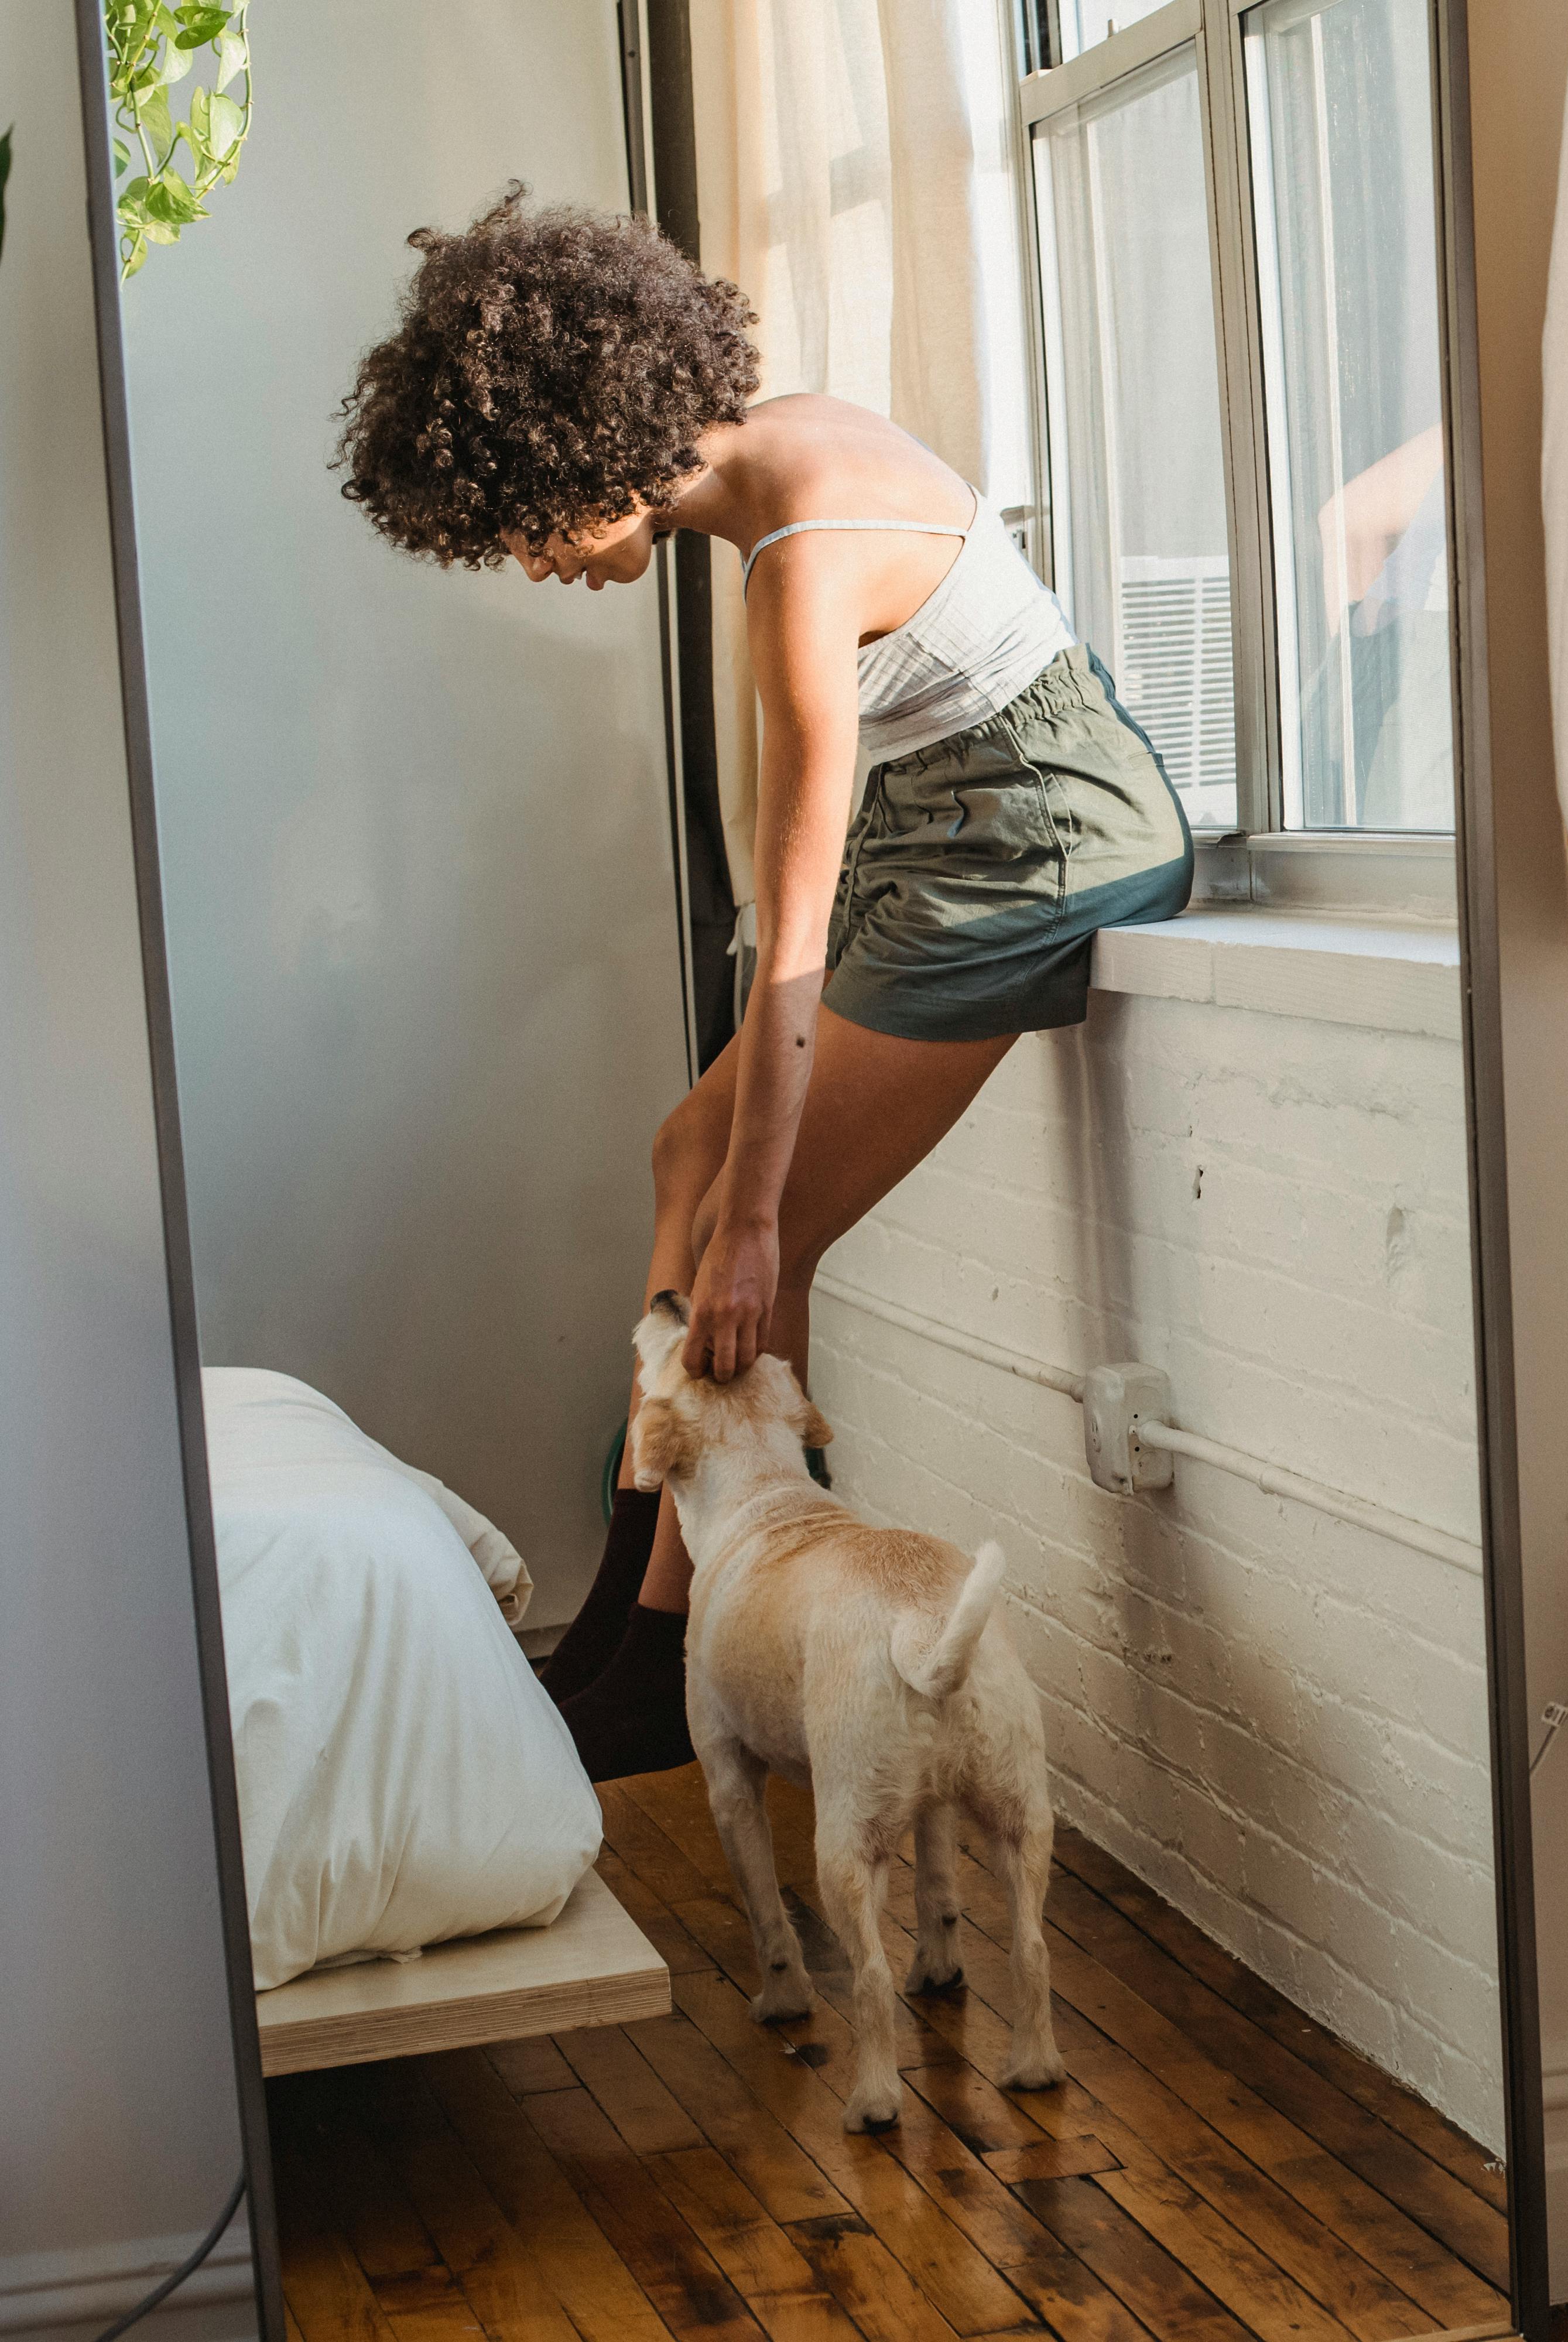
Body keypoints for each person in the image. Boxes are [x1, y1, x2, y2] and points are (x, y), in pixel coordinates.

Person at [337, 189, 1193, 1781]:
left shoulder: (796, 562)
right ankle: (627, 1612)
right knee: (685, 1150)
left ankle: (680, 1653)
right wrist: (720, 1192)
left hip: (1036, 843)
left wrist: (753, 1225)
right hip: (949, 831)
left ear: (585, 454)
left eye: (524, 522)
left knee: (764, 1227)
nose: (533, 563)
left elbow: (791, 924)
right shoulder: (775, 453)